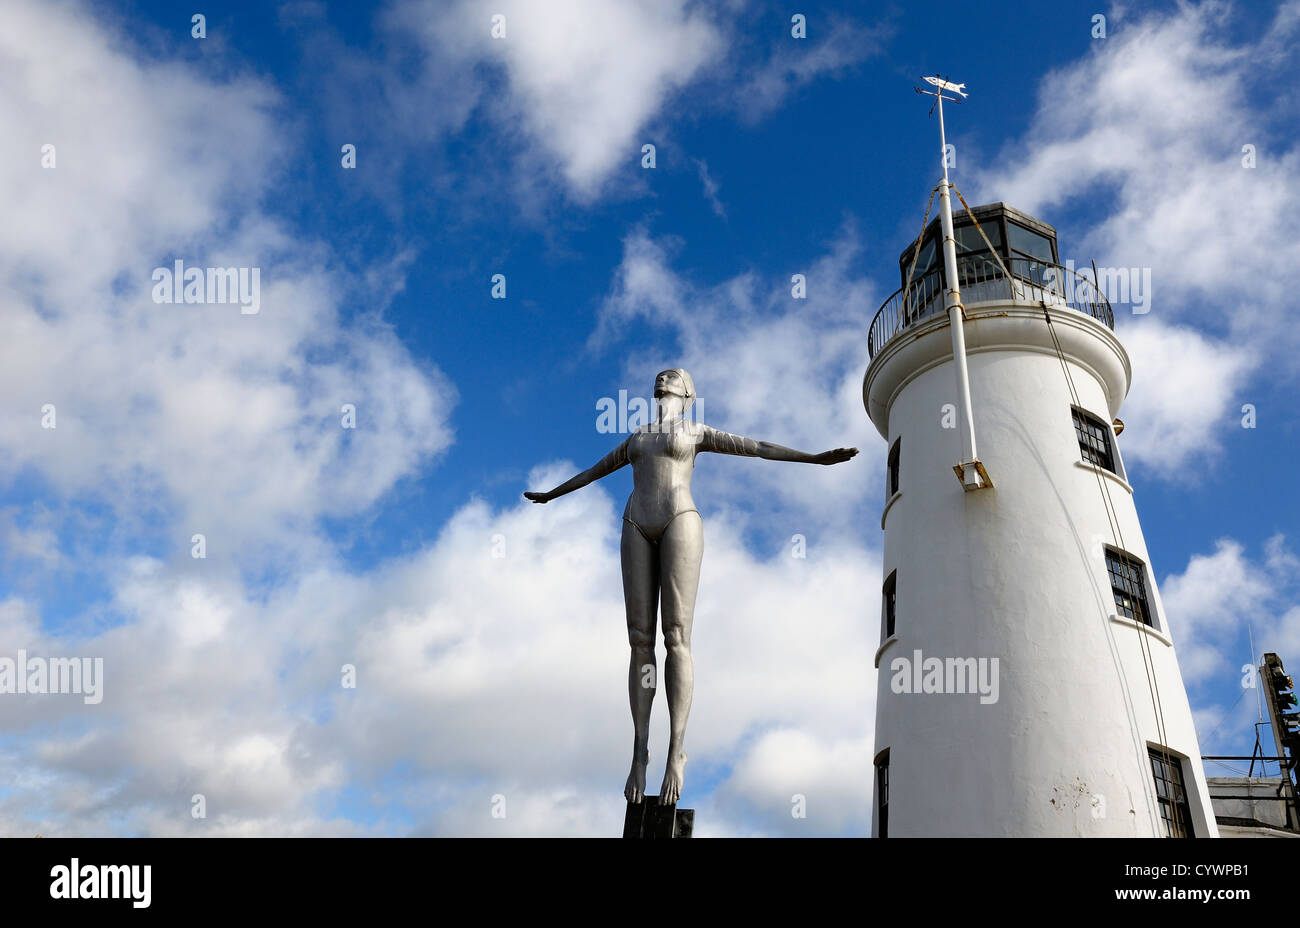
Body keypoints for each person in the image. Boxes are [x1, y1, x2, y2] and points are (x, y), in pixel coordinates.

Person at [525, 369, 857, 804]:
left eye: (675, 376)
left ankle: (675, 750)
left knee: (676, 636)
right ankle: (639, 751)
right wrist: (551, 495)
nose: (665, 377)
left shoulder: (696, 430)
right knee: (639, 640)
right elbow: (592, 471)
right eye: (662, 375)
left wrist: (813, 458)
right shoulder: (637, 437)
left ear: (687, 393)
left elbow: (756, 447)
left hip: (680, 519)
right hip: (634, 523)